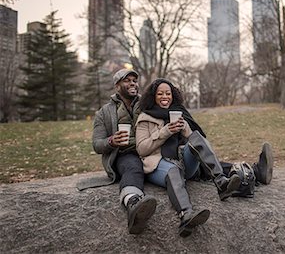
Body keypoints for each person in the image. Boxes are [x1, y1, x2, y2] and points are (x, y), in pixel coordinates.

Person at [135, 78, 273, 237]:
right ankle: (186, 215)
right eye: (160, 94)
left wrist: (184, 127)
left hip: (182, 163)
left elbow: (194, 141)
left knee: (197, 138)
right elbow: (142, 149)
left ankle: (221, 181)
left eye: (168, 93)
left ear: (173, 95)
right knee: (173, 171)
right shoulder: (145, 118)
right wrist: (165, 131)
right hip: (159, 165)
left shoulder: (178, 113)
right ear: (153, 97)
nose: (164, 96)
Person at [84, 68, 157, 235]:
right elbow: (97, 144)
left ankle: (223, 174)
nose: (132, 83)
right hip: (124, 155)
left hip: (149, 150)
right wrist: (111, 141)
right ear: (117, 86)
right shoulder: (104, 112)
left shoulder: (147, 105)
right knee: (133, 166)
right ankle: (133, 204)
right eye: (127, 80)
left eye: (134, 80)